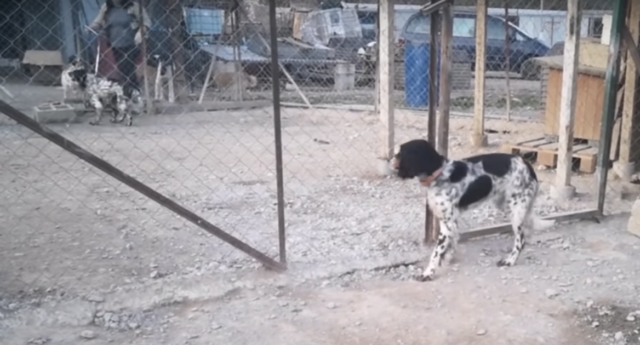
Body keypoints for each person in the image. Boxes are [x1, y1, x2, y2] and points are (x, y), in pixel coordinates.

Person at [89, 0, 151, 91]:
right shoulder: (106, 7)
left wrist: (141, 31)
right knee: (123, 69)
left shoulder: (134, 7)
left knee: (128, 67)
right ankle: (130, 91)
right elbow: (98, 21)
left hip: (132, 43)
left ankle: (134, 90)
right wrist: (93, 27)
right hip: (115, 44)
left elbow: (146, 22)